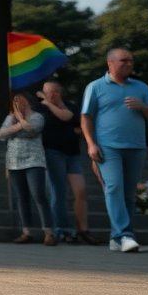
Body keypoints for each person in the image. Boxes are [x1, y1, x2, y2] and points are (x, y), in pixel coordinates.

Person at [81, 46, 148, 253]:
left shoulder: (140, 87)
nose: (129, 64)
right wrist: (91, 144)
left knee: (129, 194)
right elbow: (86, 117)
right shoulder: (95, 87)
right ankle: (125, 235)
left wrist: (143, 107)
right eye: (124, 60)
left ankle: (117, 238)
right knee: (114, 187)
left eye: (131, 61)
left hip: (136, 146)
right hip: (108, 147)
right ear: (111, 63)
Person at [35, 80, 95, 244]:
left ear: (61, 92)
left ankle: (83, 229)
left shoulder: (70, 105)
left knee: (81, 191)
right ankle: (62, 229)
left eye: (55, 91)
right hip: (53, 152)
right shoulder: (40, 108)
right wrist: (46, 104)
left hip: (72, 153)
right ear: (43, 92)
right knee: (58, 192)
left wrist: (50, 103)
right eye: (48, 92)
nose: (52, 94)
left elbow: (70, 118)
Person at [0, 91, 54, 245]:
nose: (17, 105)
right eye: (15, 103)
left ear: (28, 102)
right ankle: (26, 232)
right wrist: (18, 126)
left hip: (34, 162)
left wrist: (18, 123)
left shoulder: (37, 117)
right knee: (21, 197)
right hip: (14, 163)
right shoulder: (9, 118)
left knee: (38, 195)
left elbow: (30, 130)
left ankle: (48, 232)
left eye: (20, 102)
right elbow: (2, 134)